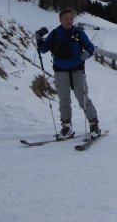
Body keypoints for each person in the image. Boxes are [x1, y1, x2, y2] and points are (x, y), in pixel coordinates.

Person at [35, 8, 100, 138]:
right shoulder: (54, 34)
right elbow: (43, 50)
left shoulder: (78, 33)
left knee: (83, 99)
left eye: (71, 18)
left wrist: (87, 54)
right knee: (64, 100)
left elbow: (90, 47)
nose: (69, 21)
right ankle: (66, 126)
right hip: (60, 71)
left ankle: (94, 124)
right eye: (66, 18)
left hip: (77, 70)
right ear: (60, 20)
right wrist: (39, 39)